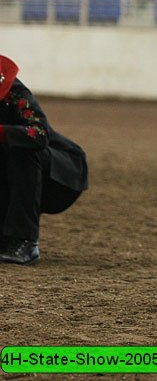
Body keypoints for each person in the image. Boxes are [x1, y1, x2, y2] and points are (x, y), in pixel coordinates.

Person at [0, 55, 89, 265]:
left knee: (21, 146)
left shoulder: (16, 94)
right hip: (21, 177)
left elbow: (39, 134)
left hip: (62, 176)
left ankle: (26, 242)